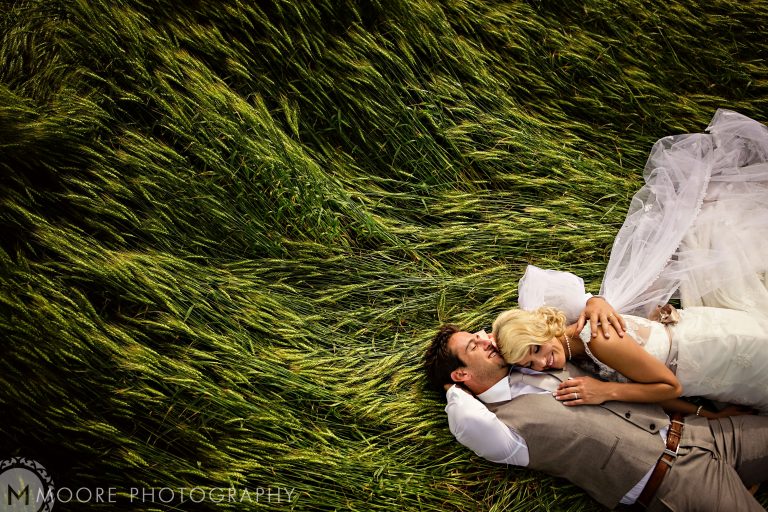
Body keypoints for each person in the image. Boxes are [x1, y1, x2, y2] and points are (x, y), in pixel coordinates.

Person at [424, 325, 768, 510]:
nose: (486, 340)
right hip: (676, 484)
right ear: (461, 376)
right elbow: (462, 417)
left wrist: (706, 414)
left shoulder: (530, 355)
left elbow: (570, 316)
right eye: (473, 346)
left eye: (481, 333)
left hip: (701, 432)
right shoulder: (502, 432)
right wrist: (452, 389)